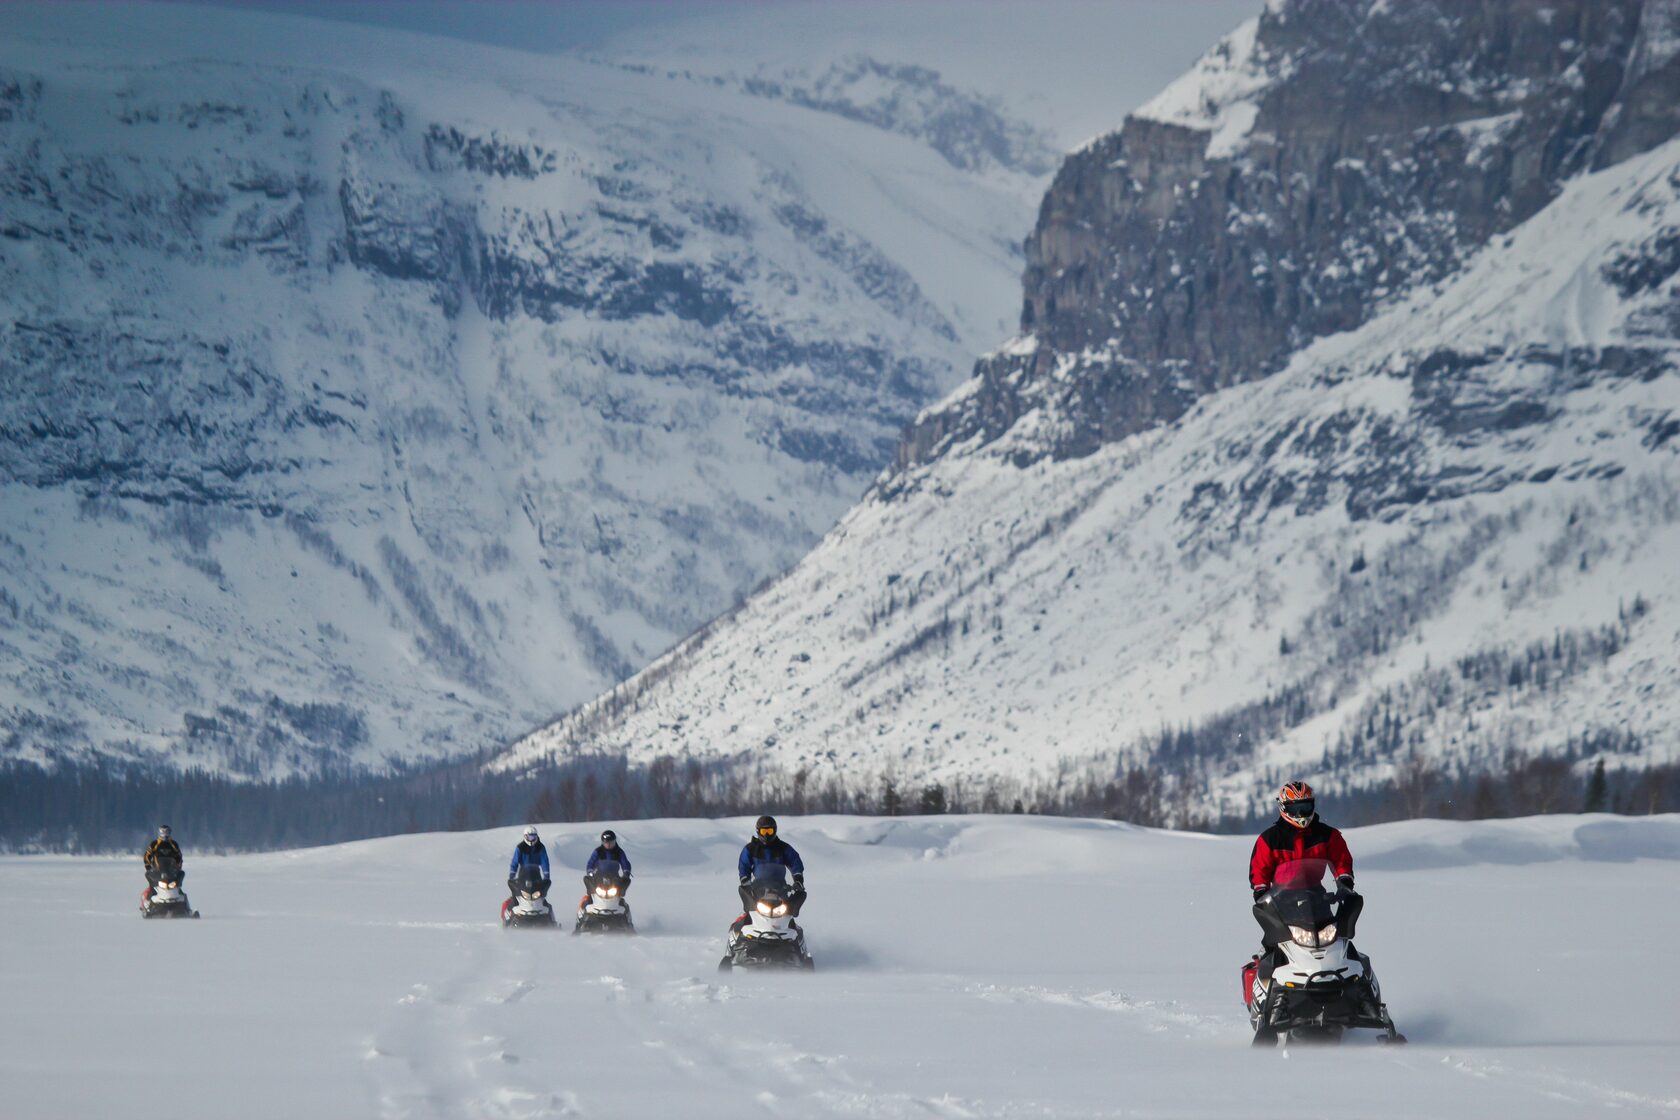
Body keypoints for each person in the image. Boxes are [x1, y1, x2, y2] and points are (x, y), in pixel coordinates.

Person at [732, 815, 804, 932]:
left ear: (774, 831)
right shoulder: (751, 849)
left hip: (781, 889)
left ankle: (794, 939)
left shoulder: (783, 848)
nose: (766, 835)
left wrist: (798, 879)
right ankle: (739, 937)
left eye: (769, 831)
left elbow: (795, 861)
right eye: (764, 831)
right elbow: (744, 865)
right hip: (757, 889)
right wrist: (745, 880)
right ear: (758, 831)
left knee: (788, 916)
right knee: (749, 913)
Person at [507, 825, 551, 905]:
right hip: (523, 874)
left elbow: (545, 862)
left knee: (541, 895)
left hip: (536, 875)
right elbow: (515, 862)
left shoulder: (540, 847)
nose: (531, 839)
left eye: (533, 837)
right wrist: (512, 875)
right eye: (529, 837)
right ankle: (512, 911)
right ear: (525, 836)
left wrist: (546, 875)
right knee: (517, 895)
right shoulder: (520, 847)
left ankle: (545, 912)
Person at [583, 829, 632, 898]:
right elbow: (591, 862)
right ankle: (587, 902)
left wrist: (626, 872)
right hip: (599, 877)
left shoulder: (619, 852)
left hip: (614, 877)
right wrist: (590, 871)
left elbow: (625, 863)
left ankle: (621, 904)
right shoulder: (598, 851)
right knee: (587, 880)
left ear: (615, 841)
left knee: (626, 882)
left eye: (611, 842)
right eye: (606, 843)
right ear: (603, 842)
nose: (608, 845)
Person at [141, 824, 184, 902]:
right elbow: (147, 855)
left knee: (178, 887)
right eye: (163, 832)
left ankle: (185, 906)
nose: (165, 834)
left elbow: (179, 856)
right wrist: (148, 867)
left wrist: (178, 867)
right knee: (152, 887)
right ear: (159, 833)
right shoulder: (155, 844)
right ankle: (148, 904)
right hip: (157, 870)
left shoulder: (173, 844)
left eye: (167, 832)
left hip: (171, 871)